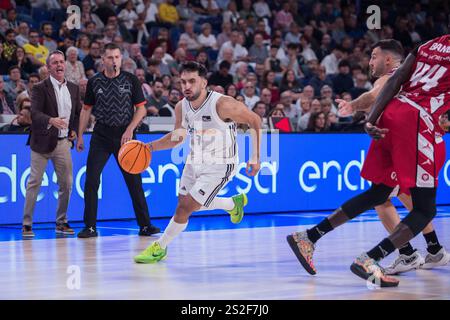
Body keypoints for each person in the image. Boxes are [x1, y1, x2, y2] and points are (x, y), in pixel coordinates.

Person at [287, 34, 450, 287]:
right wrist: (354, 106)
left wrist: (370, 119)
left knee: (381, 193)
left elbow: (393, 83)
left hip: (391, 118)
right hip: (416, 123)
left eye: (373, 56)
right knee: (424, 207)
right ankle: (374, 258)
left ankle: (309, 236)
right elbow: (383, 86)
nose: (370, 61)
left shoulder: (428, 45)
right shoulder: (393, 71)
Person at [337, 39, 450, 274]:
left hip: (408, 129)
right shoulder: (418, 64)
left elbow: (382, 90)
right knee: (408, 198)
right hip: (422, 129)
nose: (370, 62)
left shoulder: (418, 53)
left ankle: (413, 252)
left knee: (387, 195)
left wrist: (360, 111)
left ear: (387, 59)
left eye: (373, 57)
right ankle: (427, 250)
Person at [134, 62, 261, 263]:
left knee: (184, 208)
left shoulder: (223, 104)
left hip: (220, 164)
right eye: (183, 82)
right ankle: (231, 203)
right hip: (195, 160)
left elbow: (255, 120)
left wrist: (255, 157)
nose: (186, 86)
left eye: (192, 81)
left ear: (204, 83)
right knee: (184, 202)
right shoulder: (181, 106)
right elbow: (177, 138)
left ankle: (160, 247)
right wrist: (148, 147)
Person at [76, 43, 160, 238]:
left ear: (121, 59)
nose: (113, 61)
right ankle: (89, 226)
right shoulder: (94, 82)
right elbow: (86, 109)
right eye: (110, 57)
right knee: (91, 180)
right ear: (103, 60)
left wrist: (130, 129)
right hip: (101, 135)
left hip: (126, 135)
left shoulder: (131, 80)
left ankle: (145, 225)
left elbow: (141, 109)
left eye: (116, 57)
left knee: (134, 182)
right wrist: (80, 135)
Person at [22, 50, 81, 238]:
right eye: (55, 62)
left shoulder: (73, 88)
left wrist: (73, 129)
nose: (59, 65)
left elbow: (77, 113)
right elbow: (35, 114)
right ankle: (27, 223)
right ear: (48, 68)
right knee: (34, 182)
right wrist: (51, 120)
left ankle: (61, 222)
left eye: (61, 62)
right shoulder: (40, 87)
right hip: (41, 143)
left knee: (67, 183)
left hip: (63, 143)